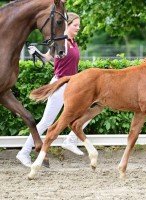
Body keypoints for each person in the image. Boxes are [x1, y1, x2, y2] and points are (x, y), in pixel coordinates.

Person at [16, 12, 90, 167]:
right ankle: (23, 152)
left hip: (73, 87)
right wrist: (35, 53)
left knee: (88, 113)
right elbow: (46, 59)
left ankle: (70, 140)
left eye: (79, 25)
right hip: (59, 86)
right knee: (46, 122)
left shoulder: (73, 42)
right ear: (67, 25)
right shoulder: (59, 43)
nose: (78, 28)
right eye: (75, 25)